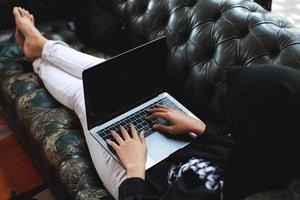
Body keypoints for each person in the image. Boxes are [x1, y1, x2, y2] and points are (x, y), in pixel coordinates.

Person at [12, 7, 300, 200]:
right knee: (106, 76)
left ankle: (36, 58)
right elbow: (232, 151)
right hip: (179, 148)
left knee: (82, 97)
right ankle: (41, 47)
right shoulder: (272, 155)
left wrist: (134, 168)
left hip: (140, 180)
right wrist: (200, 129)